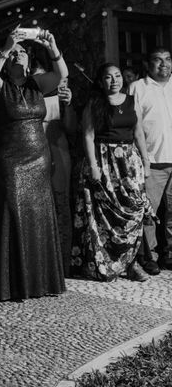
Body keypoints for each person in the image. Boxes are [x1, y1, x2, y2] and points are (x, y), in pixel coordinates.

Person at [0, 27, 68, 301]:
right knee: (12, 211)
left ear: (29, 61)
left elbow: (62, 75)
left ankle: (40, 280)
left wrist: (52, 46)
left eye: (22, 53)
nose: (18, 56)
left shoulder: (37, 85)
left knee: (39, 214)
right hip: (9, 158)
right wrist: (7, 46)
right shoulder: (0, 86)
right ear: (7, 62)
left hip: (38, 157)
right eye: (14, 55)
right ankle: (11, 283)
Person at [71, 63, 153, 281]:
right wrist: (94, 167)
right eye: (108, 77)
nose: (114, 80)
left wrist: (145, 161)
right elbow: (88, 136)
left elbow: (138, 133)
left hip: (129, 162)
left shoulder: (131, 101)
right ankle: (102, 263)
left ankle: (133, 263)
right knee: (103, 215)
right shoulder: (94, 103)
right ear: (101, 81)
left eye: (117, 76)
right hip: (103, 160)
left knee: (134, 210)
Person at [128, 47, 172, 272]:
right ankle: (150, 256)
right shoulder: (137, 88)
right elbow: (133, 126)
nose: (163, 64)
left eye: (167, 59)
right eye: (157, 60)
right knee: (150, 213)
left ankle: (169, 254)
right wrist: (142, 159)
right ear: (148, 64)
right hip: (151, 160)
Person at [39, 73, 77, 276]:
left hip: (59, 157)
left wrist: (68, 105)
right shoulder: (30, 98)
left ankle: (63, 263)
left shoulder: (62, 102)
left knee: (61, 207)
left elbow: (72, 128)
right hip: (34, 159)